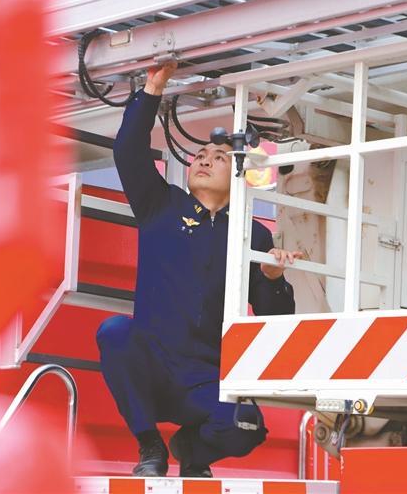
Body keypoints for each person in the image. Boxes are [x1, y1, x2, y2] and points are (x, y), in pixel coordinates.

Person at [96, 62, 301, 478]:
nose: (204, 160)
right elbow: (128, 151)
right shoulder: (160, 204)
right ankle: (149, 445)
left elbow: (274, 317)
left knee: (247, 425)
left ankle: (191, 451)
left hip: (204, 378)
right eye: (200, 156)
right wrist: (152, 89)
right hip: (154, 367)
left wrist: (273, 280)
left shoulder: (253, 234)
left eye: (219, 157)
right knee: (114, 332)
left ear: (239, 174)